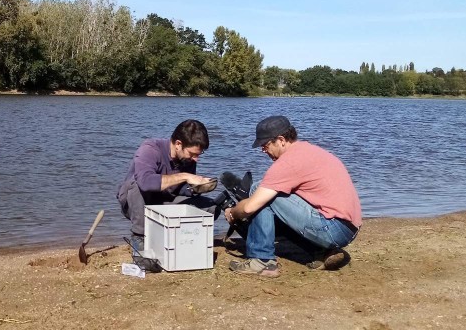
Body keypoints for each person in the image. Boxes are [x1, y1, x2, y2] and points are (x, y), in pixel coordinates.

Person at [224, 115, 362, 277]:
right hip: (349, 227)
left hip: (333, 228)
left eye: (265, 145)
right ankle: (321, 251)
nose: (263, 151)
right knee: (274, 203)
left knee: (258, 190)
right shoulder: (310, 150)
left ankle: (262, 260)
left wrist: (233, 212)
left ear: (281, 140)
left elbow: (249, 208)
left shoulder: (287, 162)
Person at [116, 119, 217, 254]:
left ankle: (184, 236)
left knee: (210, 207)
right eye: (192, 154)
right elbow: (145, 183)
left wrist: (196, 188)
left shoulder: (188, 159)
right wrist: (185, 176)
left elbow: (180, 190)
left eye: (199, 154)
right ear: (178, 144)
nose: (196, 159)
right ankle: (139, 236)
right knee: (137, 185)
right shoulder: (150, 149)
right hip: (137, 204)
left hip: (165, 202)